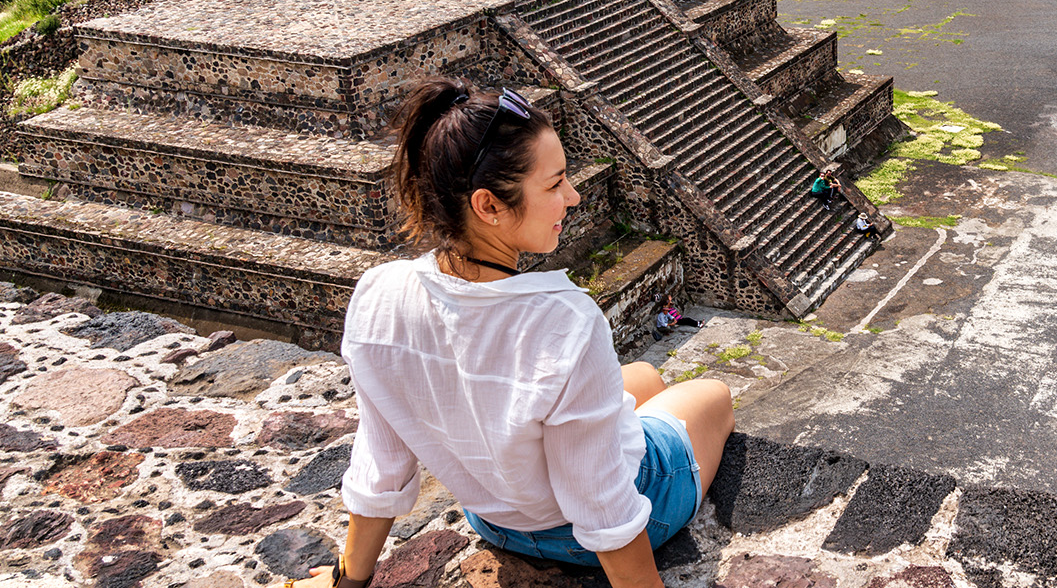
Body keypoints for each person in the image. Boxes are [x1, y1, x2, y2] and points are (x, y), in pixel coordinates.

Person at [291, 79, 736, 588]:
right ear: (489, 206)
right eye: (554, 184)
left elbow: (381, 460)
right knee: (713, 394)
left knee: (641, 376)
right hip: (594, 530)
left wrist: (348, 581)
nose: (572, 197)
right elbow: (602, 505)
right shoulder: (562, 321)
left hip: (497, 521)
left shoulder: (378, 294)